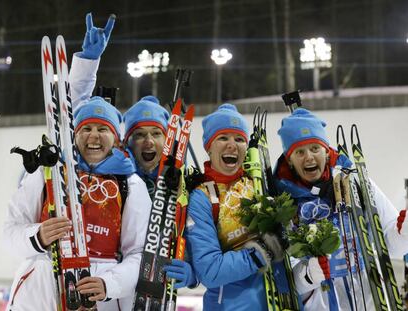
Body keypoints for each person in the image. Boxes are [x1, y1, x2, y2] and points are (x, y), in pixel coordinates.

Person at [68, 13, 196, 291]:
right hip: (110, 283)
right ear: (125, 142)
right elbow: (73, 117)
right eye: (139, 135)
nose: (148, 142)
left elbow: (198, 235)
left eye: (156, 134)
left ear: (168, 138)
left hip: (152, 289)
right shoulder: (117, 175)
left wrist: (193, 270)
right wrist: (87, 63)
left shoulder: (183, 184)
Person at [3, 97, 152, 310]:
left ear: (115, 138)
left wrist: (108, 284)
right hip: (40, 290)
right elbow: (9, 232)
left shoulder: (129, 184)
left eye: (103, 128)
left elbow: (139, 253)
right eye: (86, 128)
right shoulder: (48, 172)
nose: (94, 135)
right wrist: (38, 236)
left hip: (95, 295)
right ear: (74, 135)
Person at [274, 107, 408, 310]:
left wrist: (404, 231)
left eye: (315, 148)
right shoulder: (283, 204)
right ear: (289, 160)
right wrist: (309, 273)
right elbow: (284, 281)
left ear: (327, 153)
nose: (309, 157)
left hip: (370, 299)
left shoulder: (357, 184)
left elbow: (392, 245)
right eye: (299, 152)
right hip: (323, 304)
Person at [185, 103, 285, 310]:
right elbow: (211, 272)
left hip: (279, 299)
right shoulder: (202, 197)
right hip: (231, 304)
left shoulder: (259, 184)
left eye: (239, 139)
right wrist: (261, 252)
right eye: (223, 138)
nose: (232, 145)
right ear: (209, 147)